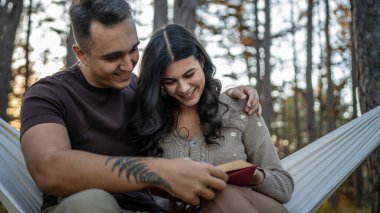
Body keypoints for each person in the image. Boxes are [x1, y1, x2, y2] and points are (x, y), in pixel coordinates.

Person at [19, 0, 261, 212]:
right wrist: (159, 171)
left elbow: (189, 100)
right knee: (92, 202)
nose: (128, 65)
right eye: (113, 57)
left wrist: (228, 96)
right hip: (83, 207)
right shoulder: (48, 95)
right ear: (81, 53)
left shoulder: (141, 91)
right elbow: (48, 168)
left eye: (133, 49)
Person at [130, 24, 294, 213]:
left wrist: (256, 176)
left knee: (218, 194)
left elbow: (285, 187)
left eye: (189, 74)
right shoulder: (151, 123)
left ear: (201, 61)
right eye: (170, 81)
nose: (183, 88)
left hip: (254, 207)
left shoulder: (240, 110)